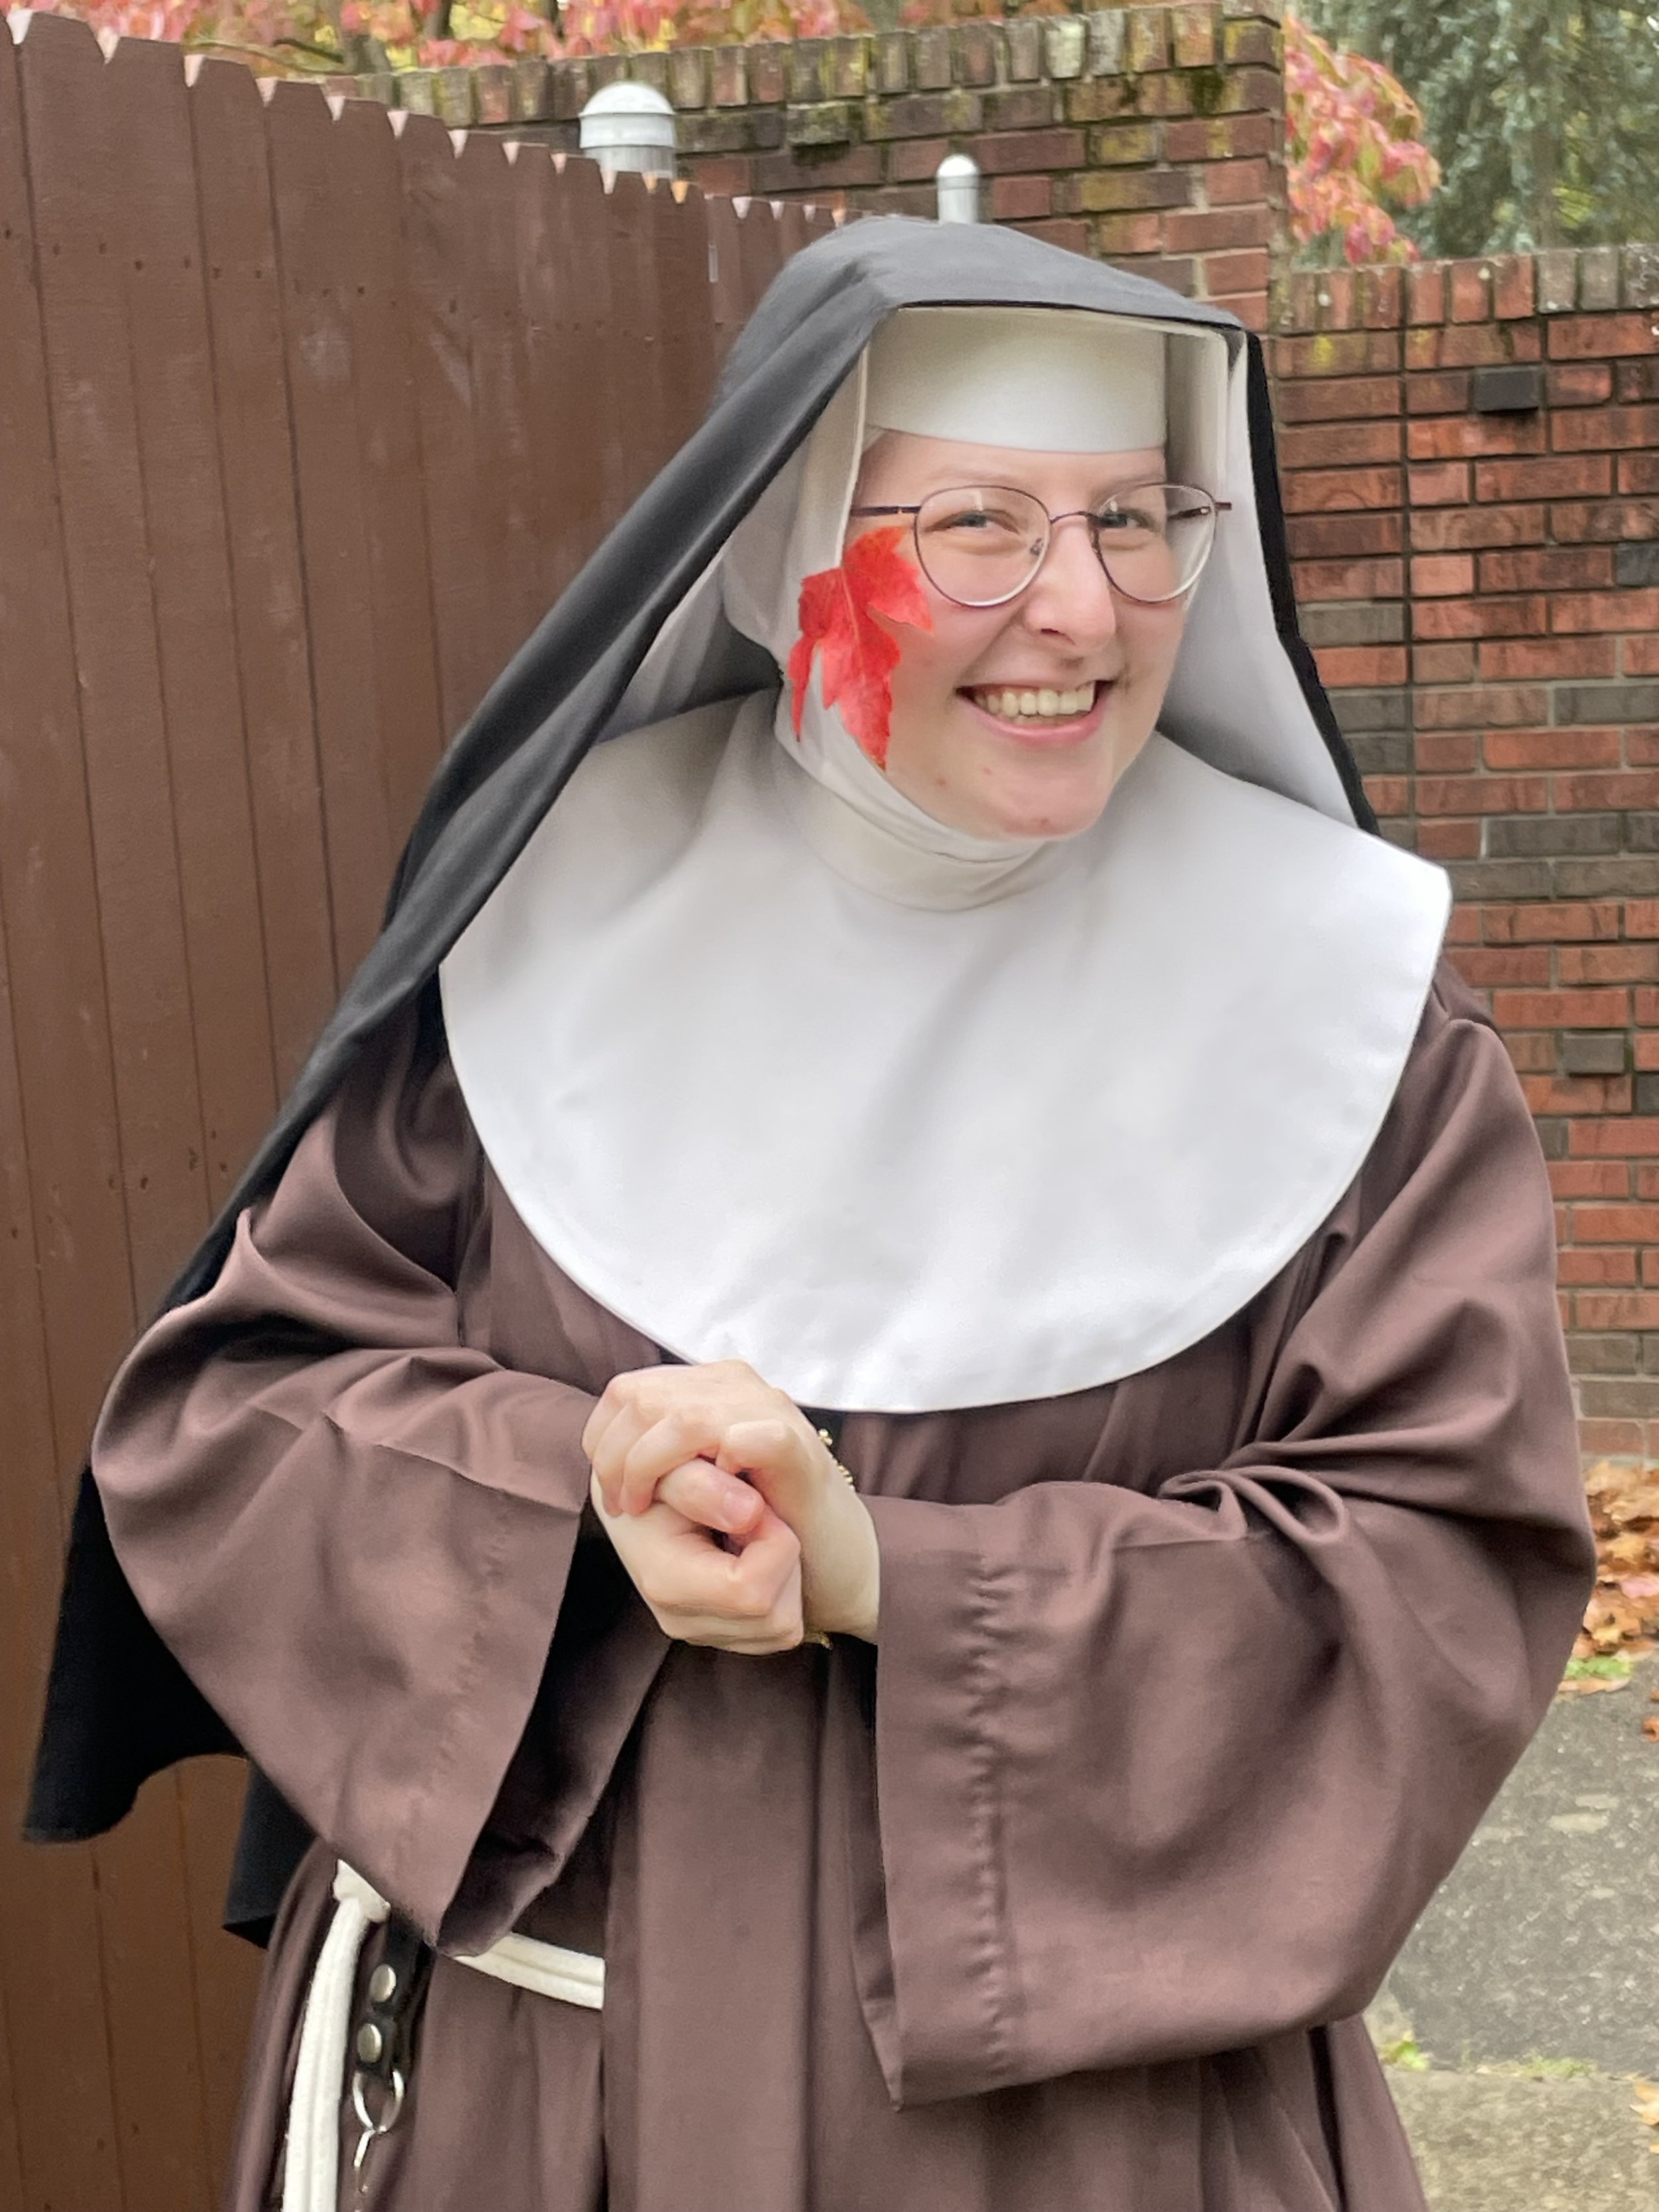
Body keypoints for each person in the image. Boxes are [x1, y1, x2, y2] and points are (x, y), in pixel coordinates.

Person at [28, 220, 1593, 2212]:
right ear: (787, 552)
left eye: (1137, 518)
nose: (1085, 609)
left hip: (1085, 2148)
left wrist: (892, 1582)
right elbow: (235, 1420)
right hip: (539, 2108)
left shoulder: (1353, 1015)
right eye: (975, 526)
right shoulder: (551, 927)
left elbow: (1437, 1580)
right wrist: (565, 1491)